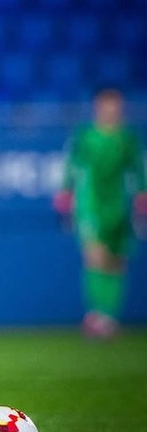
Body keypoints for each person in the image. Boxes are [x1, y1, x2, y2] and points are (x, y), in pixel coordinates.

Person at [53, 87, 147, 338]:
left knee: (116, 261)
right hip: (90, 205)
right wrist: (65, 191)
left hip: (119, 205)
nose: (111, 109)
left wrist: (142, 195)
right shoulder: (85, 135)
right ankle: (95, 314)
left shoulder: (128, 138)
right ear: (97, 106)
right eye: (106, 104)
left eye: (115, 104)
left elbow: (138, 169)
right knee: (95, 256)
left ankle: (109, 315)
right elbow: (72, 165)